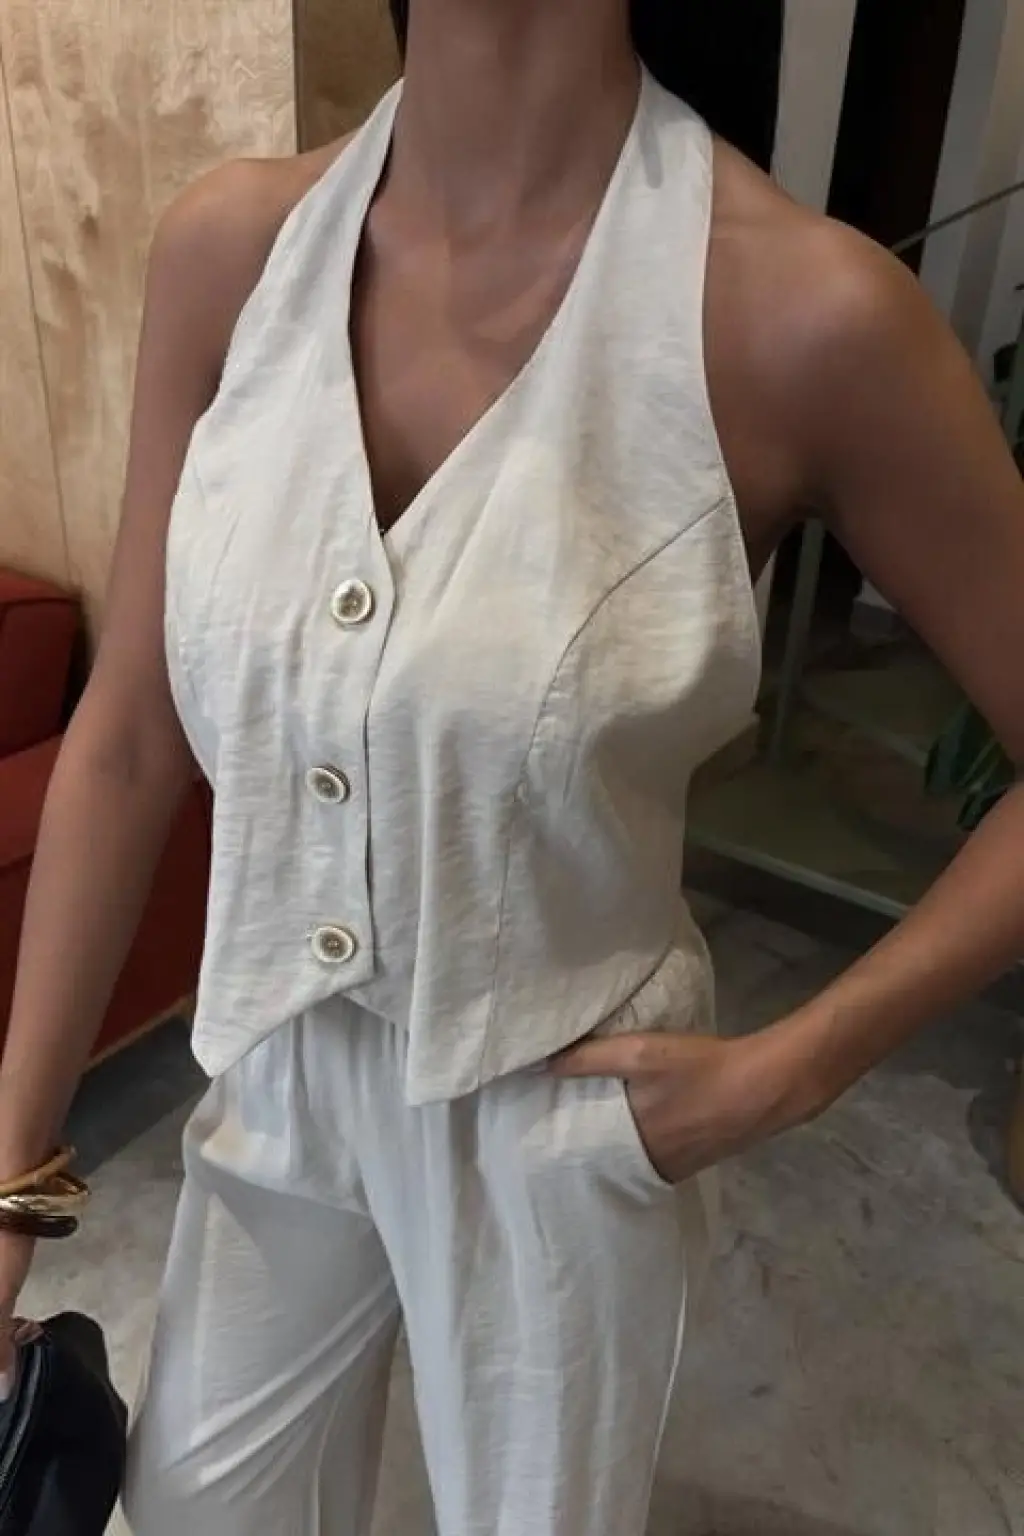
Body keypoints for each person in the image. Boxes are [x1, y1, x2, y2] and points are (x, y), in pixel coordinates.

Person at [2, 1, 1024, 1531]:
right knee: (204, 1509)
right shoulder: (234, 250)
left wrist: (793, 1067)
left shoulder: (799, 315)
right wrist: (11, 1166)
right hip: (279, 1064)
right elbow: (132, 734)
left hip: (562, 1109)